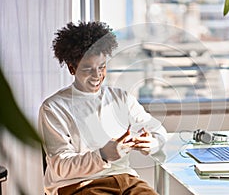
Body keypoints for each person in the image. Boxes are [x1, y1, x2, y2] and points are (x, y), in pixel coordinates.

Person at [38, 21, 167, 195]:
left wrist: (153, 142)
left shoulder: (121, 98)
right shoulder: (54, 108)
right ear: (72, 68)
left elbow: (157, 129)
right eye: (88, 69)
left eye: (102, 67)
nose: (97, 75)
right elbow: (61, 166)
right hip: (80, 185)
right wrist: (102, 155)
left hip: (127, 180)